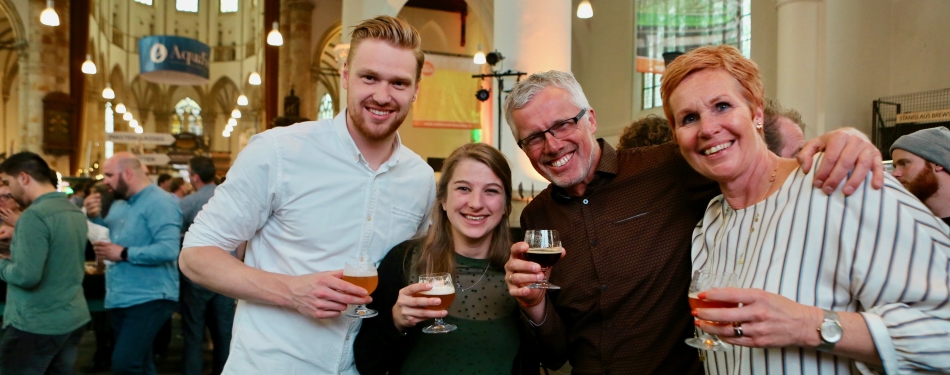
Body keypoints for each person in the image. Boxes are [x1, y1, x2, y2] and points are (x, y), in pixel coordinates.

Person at [501, 70, 884, 374]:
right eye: (533, 138)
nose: (551, 145)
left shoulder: (669, 169)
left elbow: (750, 154)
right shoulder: (538, 217)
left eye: (563, 125)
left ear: (591, 119)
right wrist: (536, 307)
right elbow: (554, 356)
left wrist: (838, 139)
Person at [662, 44, 950, 374]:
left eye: (723, 106)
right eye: (689, 118)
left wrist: (806, 324)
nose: (707, 129)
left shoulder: (841, 180)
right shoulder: (709, 224)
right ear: (676, 134)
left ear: (757, 112)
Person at [179, 15, 436, 374]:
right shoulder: (279, 151)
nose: (382, 95)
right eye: (369, 77)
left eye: (399, 83)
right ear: (346, 75)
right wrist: (290, 291)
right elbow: (195, 255)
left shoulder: (420, 178)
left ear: (415, 90)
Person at [355, 143, 539, 374]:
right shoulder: (403, 260)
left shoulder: (522, 269)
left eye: (491, 191)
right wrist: (396, 321)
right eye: (463, 189)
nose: (476, 203)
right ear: (443, 199)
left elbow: (555, 355)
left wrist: (537, 305)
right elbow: (367, 363)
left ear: (505, 205)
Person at [85, 152, 182, 375]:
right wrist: (94, 218)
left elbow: (168, 249)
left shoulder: (161, 202)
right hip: (120, 295)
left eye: (109, 175)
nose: (104, 181)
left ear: (128, 173)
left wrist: (125, 253)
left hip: (149, 296)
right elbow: (110, 239)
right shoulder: (120, 203)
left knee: (124, 364)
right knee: (140, 364)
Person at [0, 152, 90, 375]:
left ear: (24, 178)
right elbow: (59, 256)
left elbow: (26, 276)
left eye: (7, 182)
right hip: (71, 317)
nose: (8, 191)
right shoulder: (73, 210)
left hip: (36, 323)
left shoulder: (34, 216)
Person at [178, 156, 233, 375]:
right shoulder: (229, 198)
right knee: (224, 334)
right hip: (228, 274)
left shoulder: (188, 203)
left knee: (193, 334)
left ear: (194, 177)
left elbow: (176, 237)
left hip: (197, 277)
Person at [889, 126, 950, 224]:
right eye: (895, 166)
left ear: (937, 164)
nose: (894, 174)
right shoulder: (902, 224)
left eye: (904, 163)